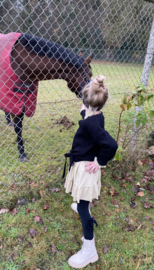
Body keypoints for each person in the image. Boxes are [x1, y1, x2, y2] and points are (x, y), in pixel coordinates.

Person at [63, 75, 118, 269]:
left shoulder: (91, 124)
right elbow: (91, 122)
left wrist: (99, 161)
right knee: (81, 201)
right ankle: (80, 205)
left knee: (84, 209)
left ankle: (89, 250)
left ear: (86, 102)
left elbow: (111, 145)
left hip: (87, 168)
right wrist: (86, 112)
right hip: (84, 165)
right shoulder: (95, 117)